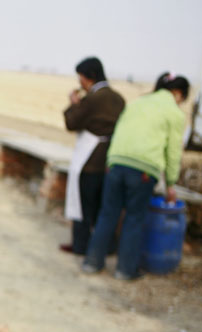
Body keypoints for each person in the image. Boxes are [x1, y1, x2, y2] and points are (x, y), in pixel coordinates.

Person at [82, 72, 190, 280]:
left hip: (115, 162)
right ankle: (125, 270)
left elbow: (119, 131)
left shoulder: (137, 103)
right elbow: (173, 152)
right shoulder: (174, 113)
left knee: (107, 214)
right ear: (178, 93)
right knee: (134, 219)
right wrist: (170, 183)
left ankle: (92, 262)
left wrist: (110, 161)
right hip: (142, 169)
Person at [61, 57, 125, 255]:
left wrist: (73, 103)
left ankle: (81, 246)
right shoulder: (118, 98)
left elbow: (72, 123)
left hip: (89, 160)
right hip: (109, 158)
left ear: (90, 77)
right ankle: (106, 246)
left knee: (82, 205)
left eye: (81, 77)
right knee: (103, 207)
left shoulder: (93, 99)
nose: (79, 82)